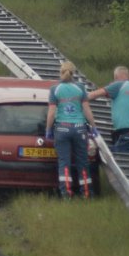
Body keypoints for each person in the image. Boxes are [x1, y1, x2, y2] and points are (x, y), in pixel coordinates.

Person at [45, 61, 96, 198]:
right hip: (80, 129)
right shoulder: (80, 88)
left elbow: (51, 113)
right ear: (74, 73)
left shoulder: (54, 89)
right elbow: (86, 110)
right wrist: (94, 127)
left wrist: (48, 129)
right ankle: (86, 193)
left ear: (60, 72)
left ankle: (66, 194)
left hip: (62, 129)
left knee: (64, 162)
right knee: (83, 162)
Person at [88, 66, 129, 153]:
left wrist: (75, 96)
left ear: (116, 77)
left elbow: (92, 95)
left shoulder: (119, 85)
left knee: (115, 155)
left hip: (127, 132)